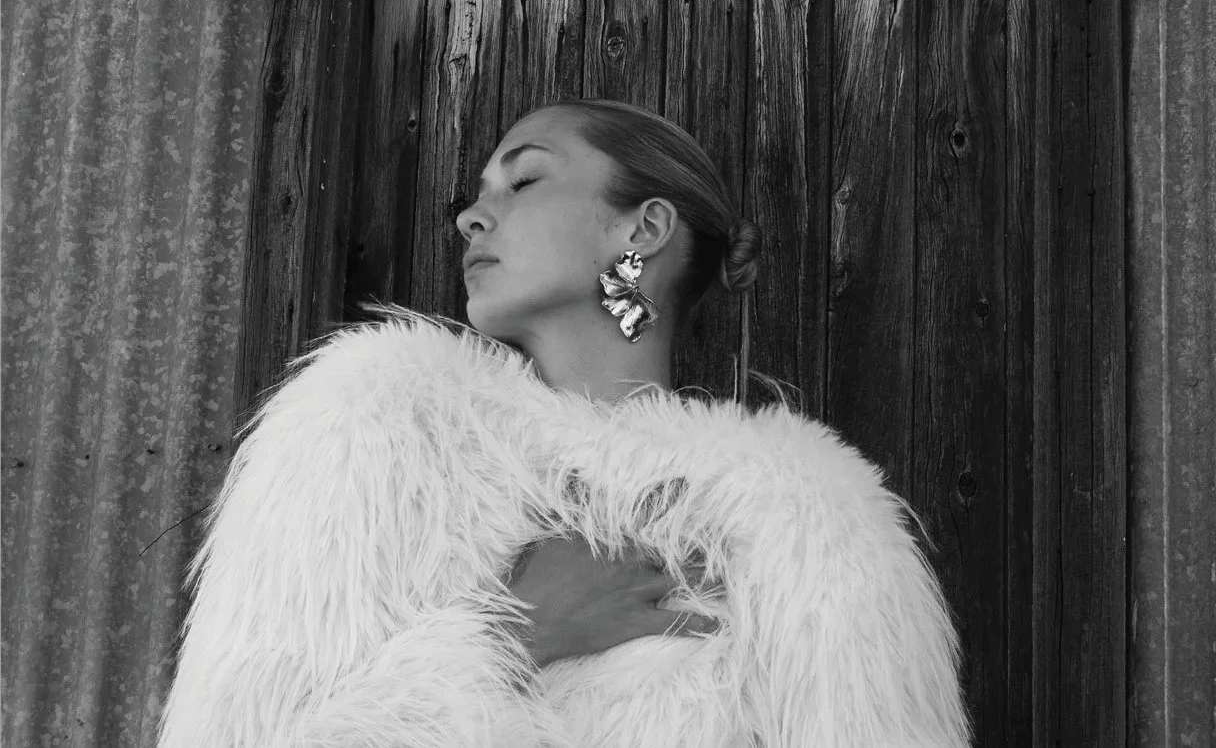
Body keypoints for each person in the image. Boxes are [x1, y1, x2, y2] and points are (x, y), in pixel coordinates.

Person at [154, 98, 970, 748]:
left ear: (642, 230)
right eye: (473, 196)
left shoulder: (804, 516)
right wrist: (512, 634)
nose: (473, 216)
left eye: (524, 181)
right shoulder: (373, 428)